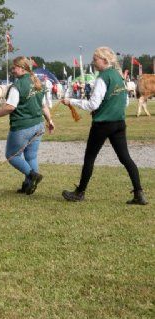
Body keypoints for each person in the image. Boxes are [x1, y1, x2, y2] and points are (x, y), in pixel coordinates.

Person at [61, 46, 147, 205]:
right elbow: (126, 102)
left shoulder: (102, 78)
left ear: (105, 60)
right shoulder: (118, 76)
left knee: (89, 158)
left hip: (102, 124)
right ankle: (139, 193)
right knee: (126, 158)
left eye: (96, 59)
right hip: (119, 123)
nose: (93, 62)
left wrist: (70, 101)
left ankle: (80, 193)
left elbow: (92, 104)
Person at [0, 56, 55, 194]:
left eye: (14, 67)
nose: (12, 70)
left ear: (23, 68)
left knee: (12, 156)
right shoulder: (37, 83)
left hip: (23, 127)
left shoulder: (17, 86)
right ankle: (28, 185)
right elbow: (44, 106)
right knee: (31, 157)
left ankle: (32, 175)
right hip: (38, 125)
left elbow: (10, 107)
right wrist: (50, 121)